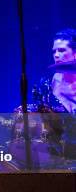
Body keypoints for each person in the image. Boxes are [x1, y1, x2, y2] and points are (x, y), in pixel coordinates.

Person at [31, 29, 76, 161]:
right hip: (59, 151)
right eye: (54, 51)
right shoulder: (47, 83)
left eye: (61, 50)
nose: (56, 55)